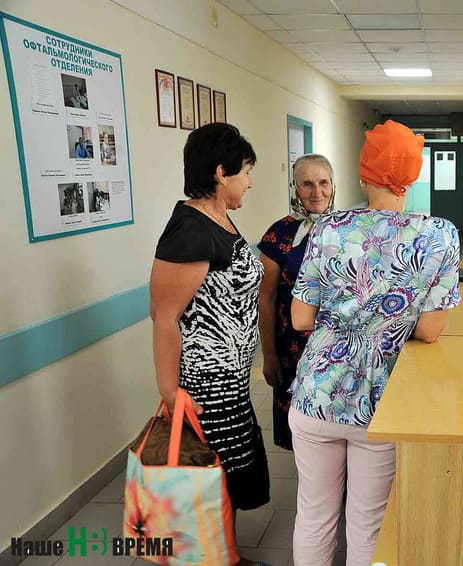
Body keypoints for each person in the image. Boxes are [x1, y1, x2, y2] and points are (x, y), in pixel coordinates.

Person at [288, 120, 461, 565]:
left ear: (363, 176)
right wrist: (388, 320)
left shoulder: (327, 228)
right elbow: (430, 330)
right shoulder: (439, 235)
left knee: (314, 513)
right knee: (368, 522)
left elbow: (301, 318)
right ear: (412, 177)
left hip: (316, 392)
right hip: (382, 400)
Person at [149, 122, 270, 564]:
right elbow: (164, 317)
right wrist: (170, 392)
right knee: (211, 479)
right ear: (222, 172)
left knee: (226, 477)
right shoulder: (190, 229)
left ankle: (225, 556)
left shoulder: (218, 218)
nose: (250, 182)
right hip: (207, 383)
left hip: (231, 380)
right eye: (247, 172)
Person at [257, 154, 336, 451]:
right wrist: (269, 355)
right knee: (303, 437)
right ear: (295, 188)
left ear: (333, 185)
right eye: (307, 184)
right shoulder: (279, 234)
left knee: (337, 432)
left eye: (323, 183)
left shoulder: (348, 228)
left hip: (338, 351)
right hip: (293, 352)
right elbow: (265, 299)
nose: (317, 192)